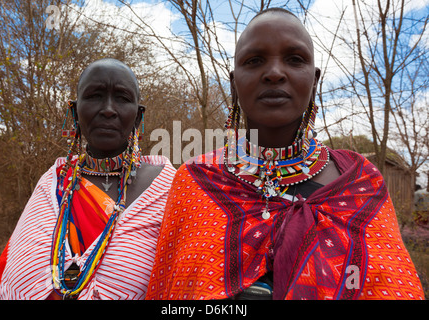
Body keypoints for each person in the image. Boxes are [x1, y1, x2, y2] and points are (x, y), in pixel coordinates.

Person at [145, 9, 425, 300]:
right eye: (254, 61)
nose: (275, 73)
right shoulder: (197, 180)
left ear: (315, 80)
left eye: (294, 59)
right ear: (233, 83)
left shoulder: (360, 181)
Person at [0, 58, 176, 300]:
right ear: (74, 112)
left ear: (138, 116)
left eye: (122, 98)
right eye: (95, 95)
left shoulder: (169, 189)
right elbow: (14, 279)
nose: (108, 109)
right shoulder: (53, 183)